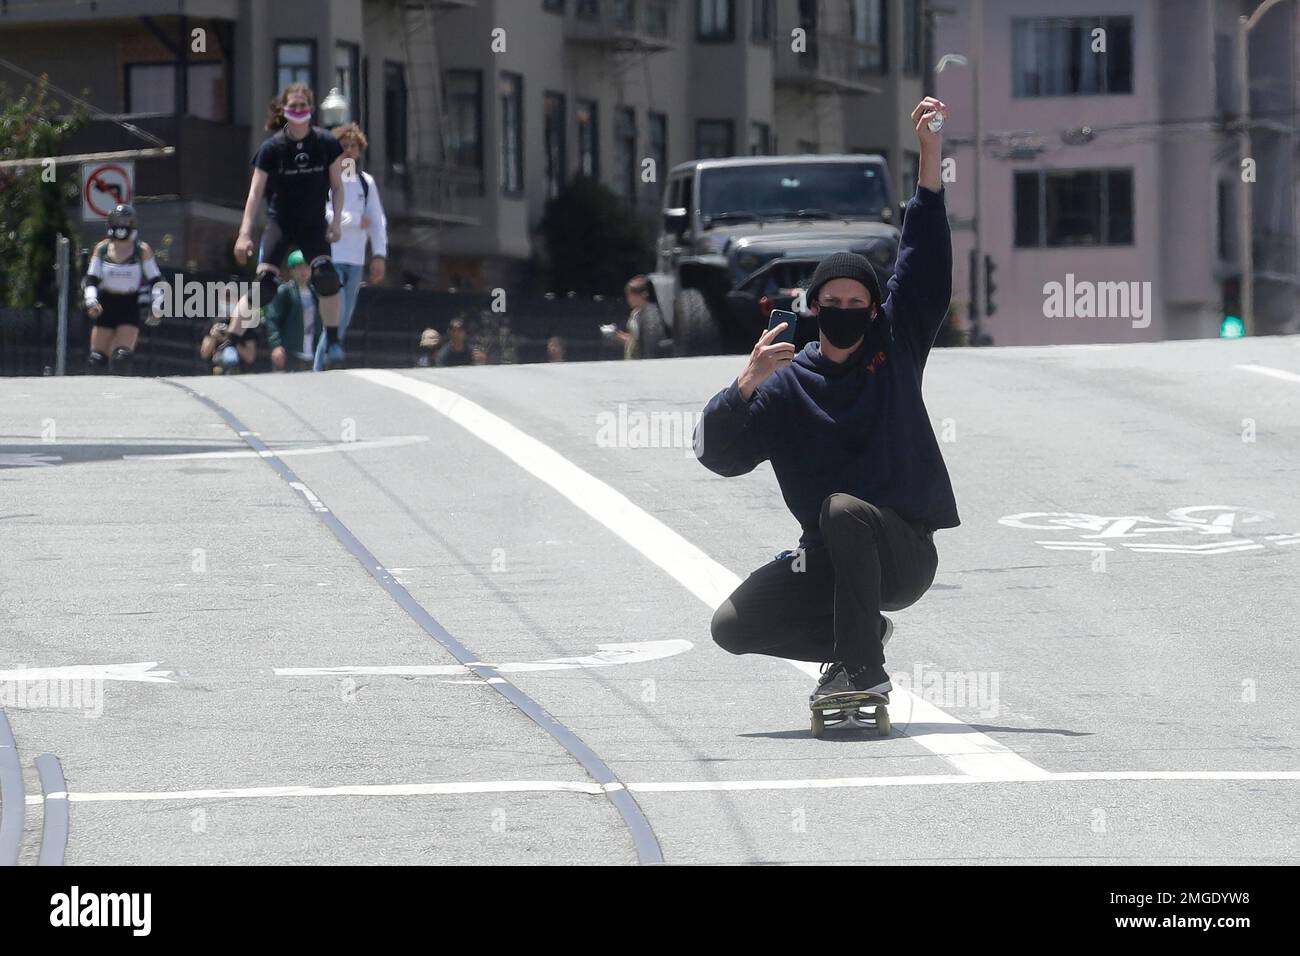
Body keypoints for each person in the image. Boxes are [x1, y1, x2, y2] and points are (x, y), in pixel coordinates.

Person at [696, 98, 958, 703]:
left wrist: (929, 155)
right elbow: (718, 456)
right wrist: (745, 384)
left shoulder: (894, 352)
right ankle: (861, 637)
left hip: (902, 555)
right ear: (814, 311)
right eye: (831, 304)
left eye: (856, 303)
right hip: (829, 562)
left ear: (874, 310)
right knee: (733, 626)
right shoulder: (785, 382)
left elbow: (924, 265)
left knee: (842, 509)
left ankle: (864, 672)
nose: (845, 313)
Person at [231, 82, 345, 364]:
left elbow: (338, 187)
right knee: (265, 286)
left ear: (310, 109)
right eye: (292, 106)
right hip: (280, 222)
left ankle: (332, 340)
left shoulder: (326, 143)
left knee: (327, 277)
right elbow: (255, 193)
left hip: (313, 224)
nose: (298, 110)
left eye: (302, 105)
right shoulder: (272, 149)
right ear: (283, 110)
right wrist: (244, 233)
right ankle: (231, 341)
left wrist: (337, 222)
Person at [316, 122, 387, 370]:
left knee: (343, 319)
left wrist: (379, 254)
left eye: (353, 146)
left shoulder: (366, 183)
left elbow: (377, 220)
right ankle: (321, 366)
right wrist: (355, 220)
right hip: (333, 256)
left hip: (356, 259)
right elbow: (322, 213)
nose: (348, 151)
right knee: (336, 315)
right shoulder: (327, 178)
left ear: (359, 150)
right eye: (343, 146)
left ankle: (326, 364)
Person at [82, 203, 163, 375]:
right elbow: (91, 279)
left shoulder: (141, 250)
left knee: (122, 358)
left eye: (126, 222)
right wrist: (91, 301)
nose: (122, 226)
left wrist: (156, 305)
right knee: (96, 360)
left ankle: (120, 395)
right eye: (118, 221)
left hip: (129, 304)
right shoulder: (102, 249)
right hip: (106, 303)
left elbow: (156, 280)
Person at [260, 250, 318, 372]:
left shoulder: (316, 293)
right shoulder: (285, 291)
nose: (303, 271)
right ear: (292, 270)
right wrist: (276, 345)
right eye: (299, 267)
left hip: (313, 349)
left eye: (307, 267)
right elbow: (272, 319)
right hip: (291, 350)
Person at [199, 282, 257, 374]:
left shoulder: (245, 325)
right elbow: (204, 353)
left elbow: (250, 357)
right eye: (224, 298)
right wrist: (213, 336)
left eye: (230, 298)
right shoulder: (214, 322)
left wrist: (231, 338)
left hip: (240, 374)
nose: (227, 302)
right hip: (216, 374)